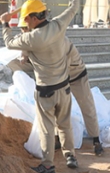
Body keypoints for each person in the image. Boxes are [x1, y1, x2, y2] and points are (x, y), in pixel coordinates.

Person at [0, 0, 79, 173]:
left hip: (46, 92)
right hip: (64, 87)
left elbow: (9, 43)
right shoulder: (59, 25)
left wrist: (5, 24)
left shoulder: (31, 38)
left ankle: (48, 165)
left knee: (47, 128)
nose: (25, 22)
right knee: (65, 124)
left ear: (34, 18)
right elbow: (73, 8)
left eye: (26, 18)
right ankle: (70, 156)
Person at [14, 20, 103, 157]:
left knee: (87, 105)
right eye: (23, 30)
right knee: (56, 108)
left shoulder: (57, 40)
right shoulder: (35, 39)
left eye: (26, 29)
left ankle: (96, 140)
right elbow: (24, 49)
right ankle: (58, 139)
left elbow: (59, 65)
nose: (24, 32)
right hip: (59, 78)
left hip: (76, 75)